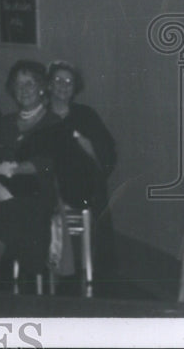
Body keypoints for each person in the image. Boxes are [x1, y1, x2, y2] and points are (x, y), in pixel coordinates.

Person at [0, 60, 63, 288]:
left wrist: (13, 170)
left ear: (41, 88)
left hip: (38, 191)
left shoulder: (53, 122)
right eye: (18, 85)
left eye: (29, 84)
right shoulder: (5, 122)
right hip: (1, 187)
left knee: (13, 210)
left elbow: (47, 163)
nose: (24, 90)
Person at [46, 60, 118, 277]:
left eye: (69, 81)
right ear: (49, 84)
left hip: (80, 185)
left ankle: (80, 266)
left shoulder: (86, 115)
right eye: (58, 80)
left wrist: (87, 146)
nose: (63, 85)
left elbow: (107, 153)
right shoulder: (39, 113)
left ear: (75, 88)